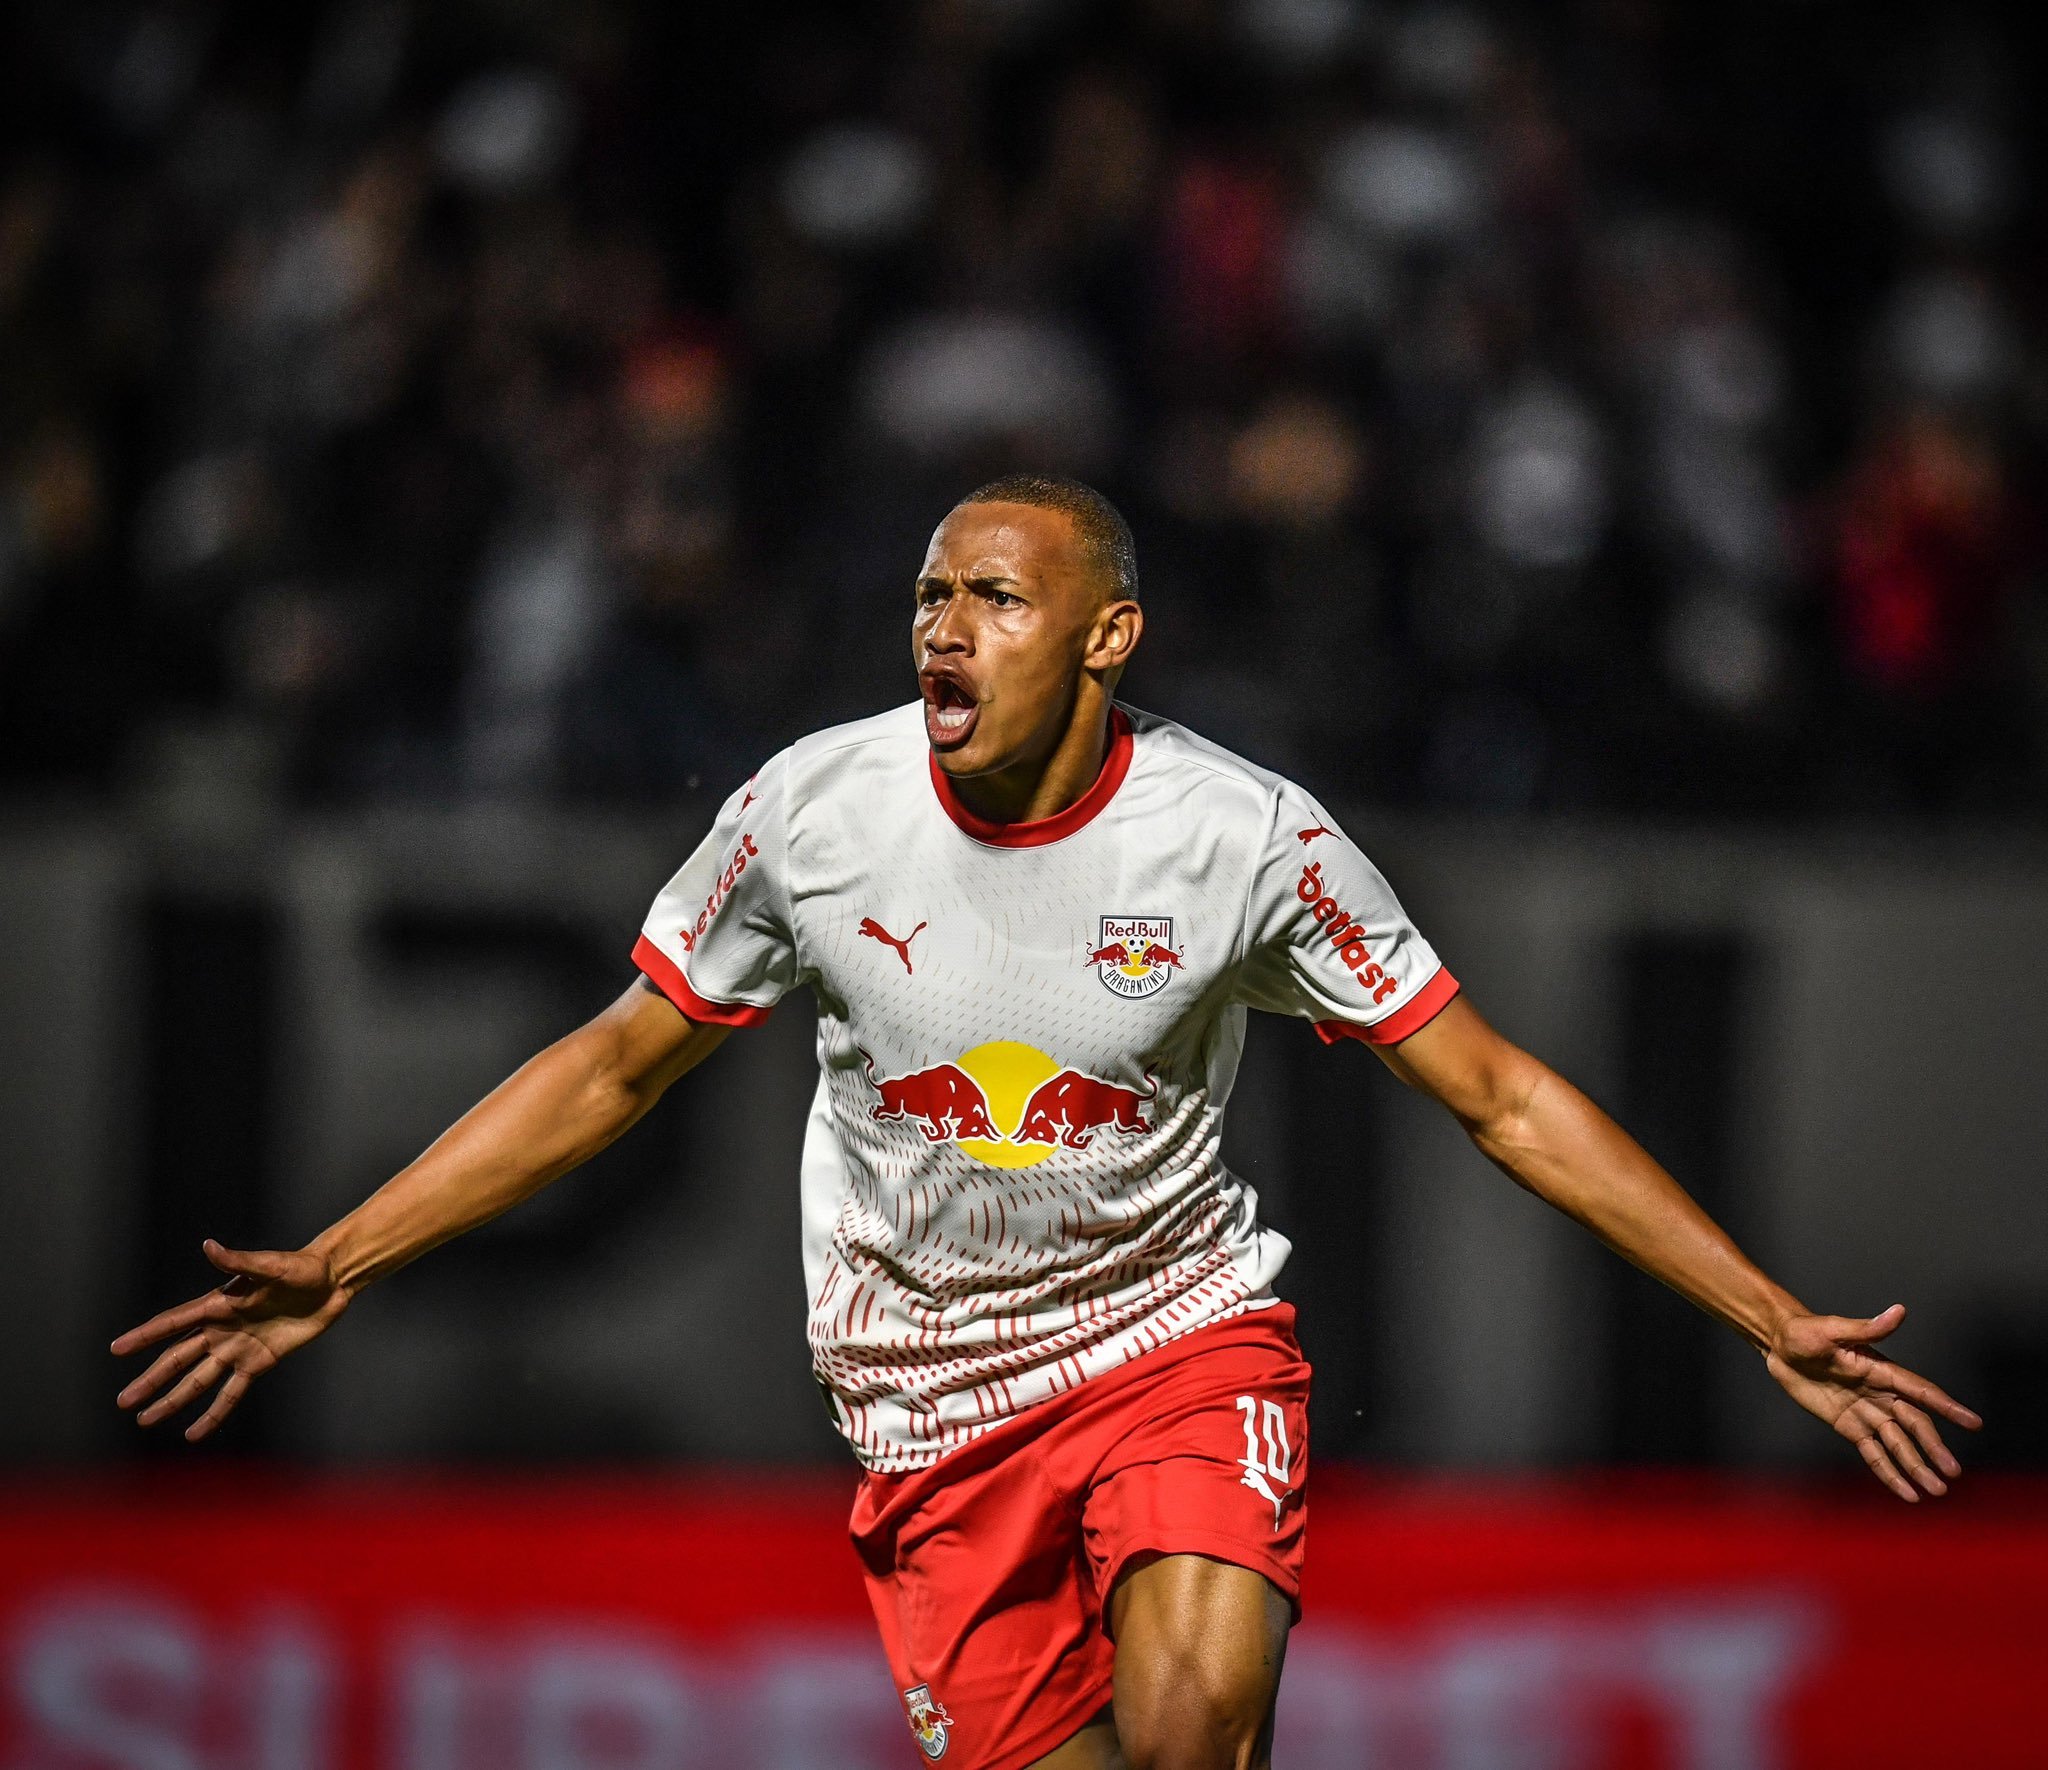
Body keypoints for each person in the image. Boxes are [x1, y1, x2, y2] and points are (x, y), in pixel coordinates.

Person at [113, 475, 1980, 1770]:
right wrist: (344, 1261)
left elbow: (1495, 1090)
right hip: (927, 1396)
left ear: (1109, 636)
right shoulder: (811, 814)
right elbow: (612, 1066)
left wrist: (1764, 1315)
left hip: (1177, 1338)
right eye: (930, 593)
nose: (944, 628)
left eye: (995, 597)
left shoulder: (1246, 840)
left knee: (1196, 1725)